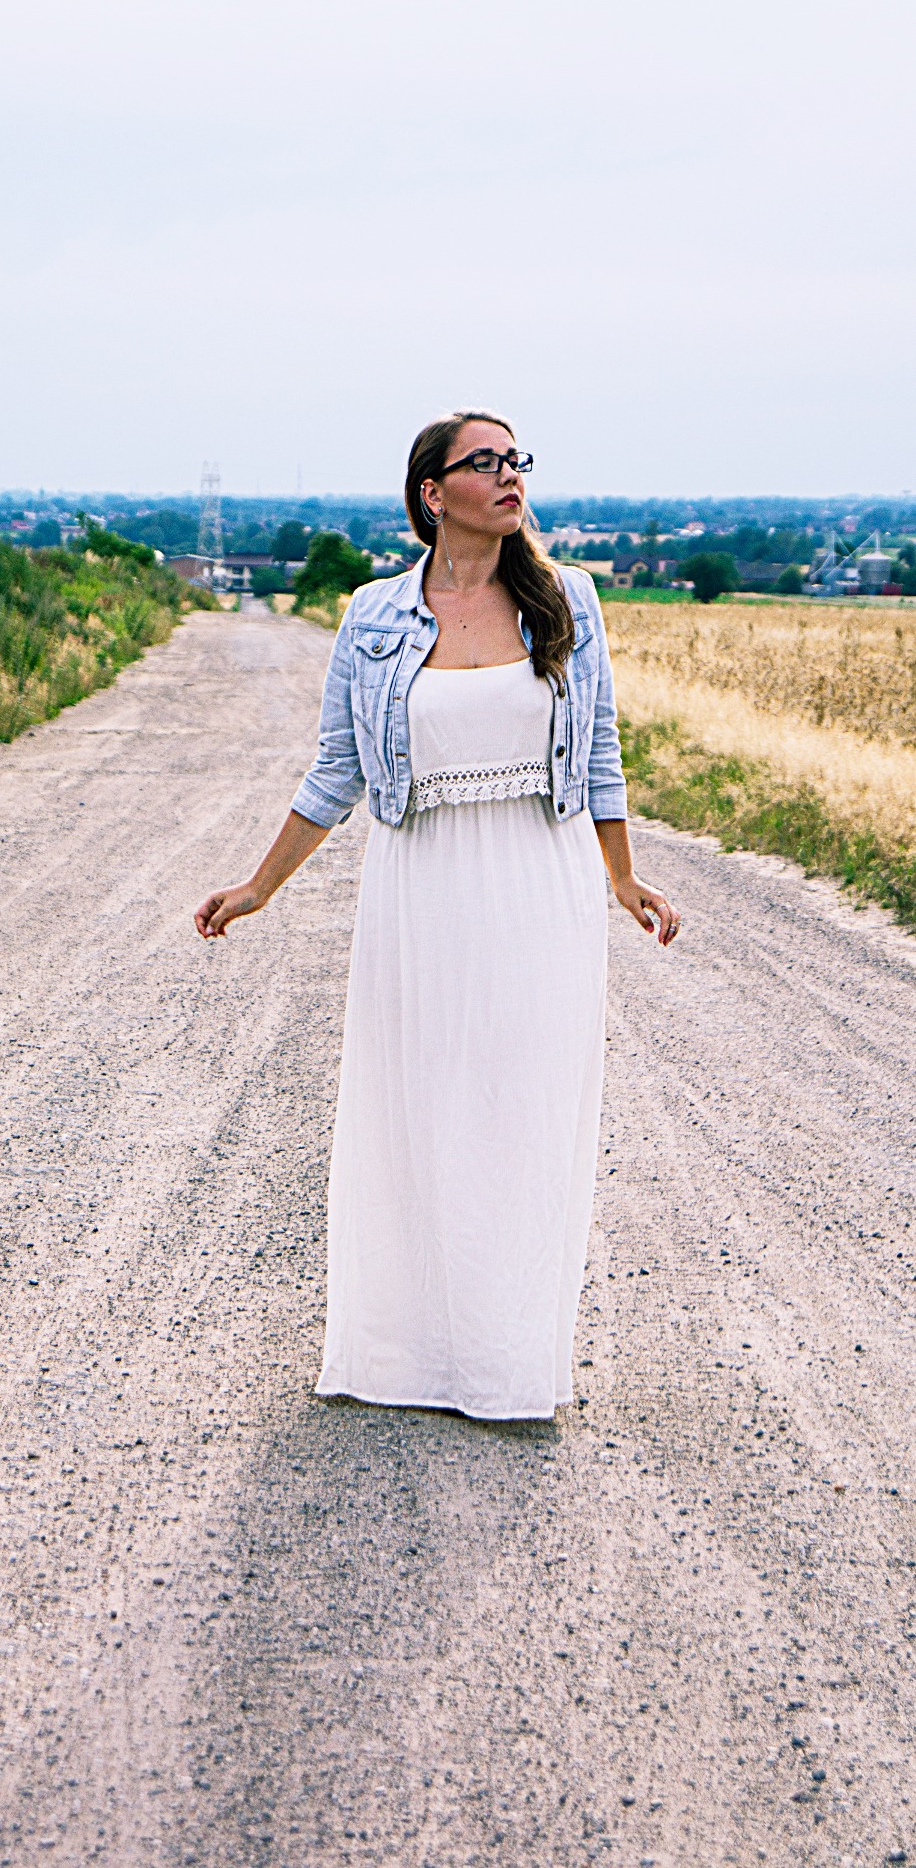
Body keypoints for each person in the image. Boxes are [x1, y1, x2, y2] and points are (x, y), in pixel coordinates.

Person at [195, 410, 679, 1421]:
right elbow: (336, 769)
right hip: (418, 885)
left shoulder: (567, 603)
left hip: (539, 882)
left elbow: (598, 760)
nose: (509, 476)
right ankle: (408, 1356)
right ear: (431, 491)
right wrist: (257, 886)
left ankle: (507, 1362)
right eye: (484, 461)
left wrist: (621, 877)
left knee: (517, 1112)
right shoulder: (373, 617)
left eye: (516, 460)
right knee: (415, 1111)